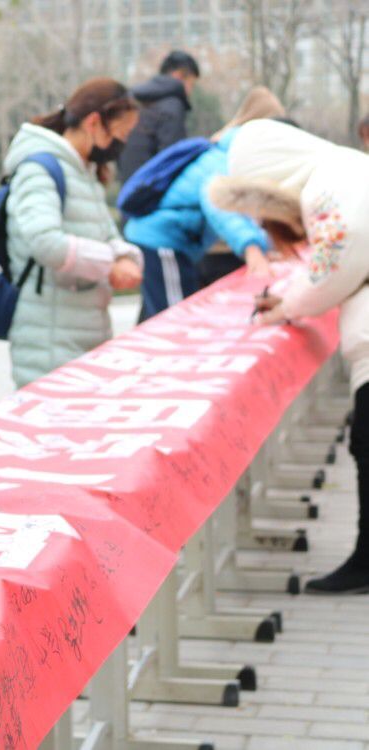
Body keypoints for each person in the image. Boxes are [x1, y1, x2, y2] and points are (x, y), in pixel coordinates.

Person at [215, 119, 369, 594]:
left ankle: (366, 564)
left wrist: (287, 306)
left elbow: (338, 257)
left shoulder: (328, 185)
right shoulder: (343, 170)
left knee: (366, 443)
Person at [5, 78, 144, 387]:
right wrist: (111, 264)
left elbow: (107, 236)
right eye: (120, 134)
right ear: (93, 122)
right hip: (48, 344)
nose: (120, 145)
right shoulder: (40, 168)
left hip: (84, 336)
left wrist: (125, 257)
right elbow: (46, 243)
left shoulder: (85, 172)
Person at [124, 88, 282, 320]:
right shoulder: (223, 160)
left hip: (171, 245)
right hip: (162, 242)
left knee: (173, 313)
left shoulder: (225, 152)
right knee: (176, 320)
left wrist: (266, 247)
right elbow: (219, 205)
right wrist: (251, 248)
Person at [196, 87, 288, 288]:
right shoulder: (234, 151)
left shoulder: (223, 142)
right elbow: (218, 203)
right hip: (224, 250)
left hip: (219, 248)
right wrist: (252, 247)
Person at [117, 50, 200, 182]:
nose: (190, 91)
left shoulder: (133, 100)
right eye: (191, 84)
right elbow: (173, 159)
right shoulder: (173, 106)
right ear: (179, 76)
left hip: (128, 185)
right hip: (151, 187)